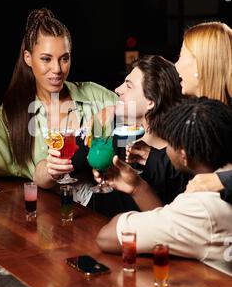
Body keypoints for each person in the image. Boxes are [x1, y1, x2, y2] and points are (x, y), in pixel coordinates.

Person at [0, 8, 117, 205]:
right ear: (28, 58)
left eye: (64, 58)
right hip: (54, 217)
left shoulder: (92, 94)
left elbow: (143, 114)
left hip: (114, 202)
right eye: (46, 59)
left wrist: (114, 111)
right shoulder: (14, 116)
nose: (57, 69)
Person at [95, 97, 232, 273]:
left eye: (168, 142)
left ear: (183, 155)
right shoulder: (222, 182)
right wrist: (138, 187)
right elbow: (174, 224)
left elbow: (107, 237)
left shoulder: (201, 206)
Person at [130, 21, 232, 204]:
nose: (175, 66)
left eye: (181, 56)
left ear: (201, 65)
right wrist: (151, 157)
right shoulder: (196, 114)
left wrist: (223, 180)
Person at [114, 55, 186, 204]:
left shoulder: (178, 161)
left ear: (150, 102)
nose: (117, 89)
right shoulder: (115, 136)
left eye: (128, 85)